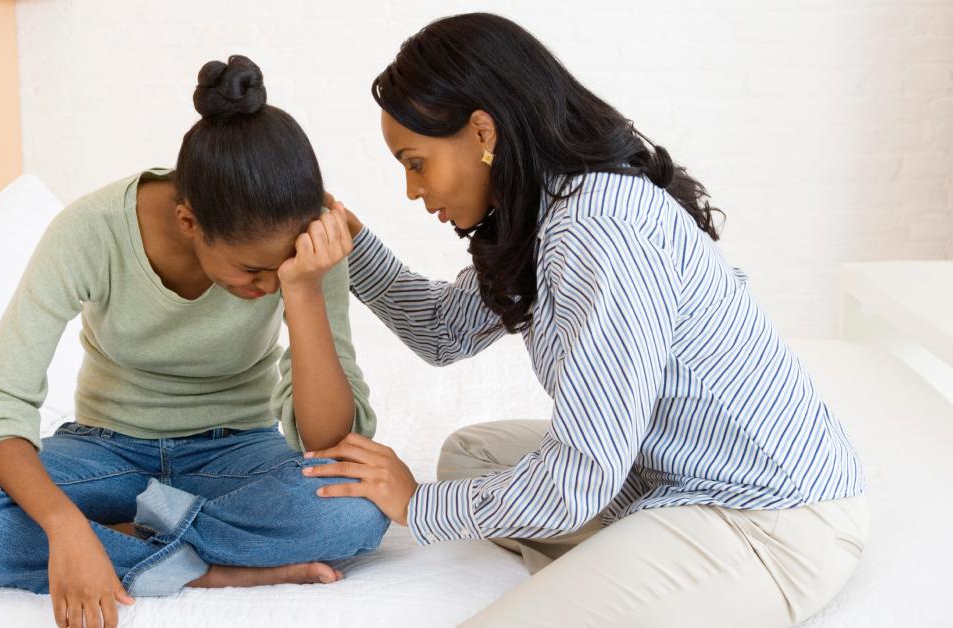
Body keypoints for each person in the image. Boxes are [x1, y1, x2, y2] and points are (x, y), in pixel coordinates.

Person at [307, 14, 867, 628]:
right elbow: (444, 332)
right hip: (660, 476)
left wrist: (416, 505)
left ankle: (668, 578)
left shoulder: (595, 231)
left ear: (482, 132)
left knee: (494, 517)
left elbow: (580, 476)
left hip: (768, 521)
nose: (412, 189)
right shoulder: (546, 206)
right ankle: (640, 566)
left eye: (416, 162)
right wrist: (351, 245)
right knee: (469, 455)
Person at [0, 55, 388, 628]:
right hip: (104, 454)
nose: (268, 285)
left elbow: (329, 442)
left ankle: (138, 550)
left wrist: (303, 290)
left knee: (359, 507)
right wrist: (64, 526)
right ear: (189, 222)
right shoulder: (92, 231)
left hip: (235, 454)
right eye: (253, 270)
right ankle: (208, 568)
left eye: (280, 271)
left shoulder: (310, 247)